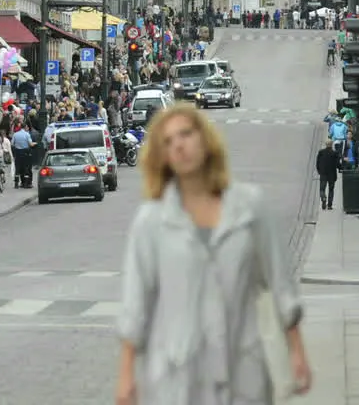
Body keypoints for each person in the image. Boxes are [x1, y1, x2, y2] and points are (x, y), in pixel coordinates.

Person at [116, 104, 311, 403]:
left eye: (185, 134)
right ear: (162, 156)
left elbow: (280, 284)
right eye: (168, 141)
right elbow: (136, 302)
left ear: (206, 140)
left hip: (243, 365)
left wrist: (296, 351)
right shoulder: (151, 221)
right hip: (178, 371)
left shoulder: (250, 207)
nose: (179, 145)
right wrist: (127, 375)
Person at [315, 139, 340, 210]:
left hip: (323, 173)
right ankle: (329, 205)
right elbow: (337, 164)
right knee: (331, 189)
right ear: (332, 145)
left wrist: (319, 171)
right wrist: (341, 167)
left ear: (326, 144)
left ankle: (323, 197)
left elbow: (317, 163)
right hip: (332, 174)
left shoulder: (321, 152)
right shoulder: (334, 153)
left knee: (322, 189)